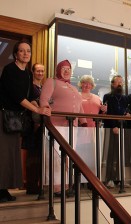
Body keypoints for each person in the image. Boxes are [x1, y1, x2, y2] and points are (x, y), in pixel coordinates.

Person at [0, 41, 51, 202]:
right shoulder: (9, 70)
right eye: (21, 51)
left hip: (17, 120)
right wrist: (37, 110)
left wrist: (41, 107)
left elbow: (29, 97)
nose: (25, 53)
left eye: (28, 51)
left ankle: (5, 189)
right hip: (5, 117)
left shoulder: (28, 73)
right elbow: (17, 96)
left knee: (13, 155)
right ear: (16, 54)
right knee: (3, 154)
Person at [39, 59, 87, 195]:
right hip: (55, 125)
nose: (66, 71)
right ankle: (56, 187)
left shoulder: (73, 88)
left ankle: (66, 185)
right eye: (63, 68)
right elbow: (44, 99)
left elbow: (80, 107)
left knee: (68, 157)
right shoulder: (51, 81)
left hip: (72, 127)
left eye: (69, 69)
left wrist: (83, 122)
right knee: (55, 157)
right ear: (58, 70)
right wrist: (45, 109)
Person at [77, 75, 106, 183]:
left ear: (92, 85)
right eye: (84, 82)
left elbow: (101, 113)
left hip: (94, 130)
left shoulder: (97, 98)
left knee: (93, 155)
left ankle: (91, 180)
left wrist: (103, 110)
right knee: (80, 154)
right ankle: (79, 180)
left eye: (89, 83)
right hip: (80, 129)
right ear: (80, 84)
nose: (86, 85)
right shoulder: (76, 95)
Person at [102, 75, 129, 188]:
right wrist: (114, 126)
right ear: (112, 84)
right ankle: (109, 179)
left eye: (121, 82)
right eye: (117, 82)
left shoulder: (125, 98)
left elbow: (127, 109)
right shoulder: (107, 96)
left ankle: (119, 179)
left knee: (121, 155)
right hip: (111, 128)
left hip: (122, 128)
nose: (120, 84)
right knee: (111, 155)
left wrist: (127, 114)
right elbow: (109, 113)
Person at [24, 63, 46, 194]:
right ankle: (31, 187)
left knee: (39, 156)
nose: (40, 73)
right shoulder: (29, 87)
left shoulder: (43, 87)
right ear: (33, 72)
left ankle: (38, 184)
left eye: (42, 71)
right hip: (33, 126)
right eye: (38, 71)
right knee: (33, 156)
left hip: (42, 126)